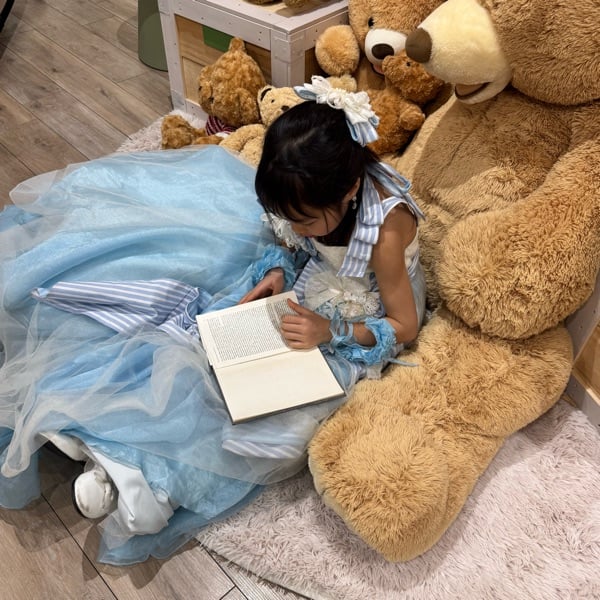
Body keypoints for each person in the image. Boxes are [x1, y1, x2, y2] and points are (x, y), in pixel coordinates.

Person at [0, 77, 425, 565]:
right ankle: (111, 439)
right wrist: (277, 270)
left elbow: (405, 325)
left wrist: (332, 331)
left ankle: (155, 485)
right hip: (314, 286)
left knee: (280, 419)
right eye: (288, 216)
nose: (295, 227)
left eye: (305, 219)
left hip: (359, 312)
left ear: (349, 191)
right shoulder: (313, 203)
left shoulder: (385, 234)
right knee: (210, 339)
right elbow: (295, 241)